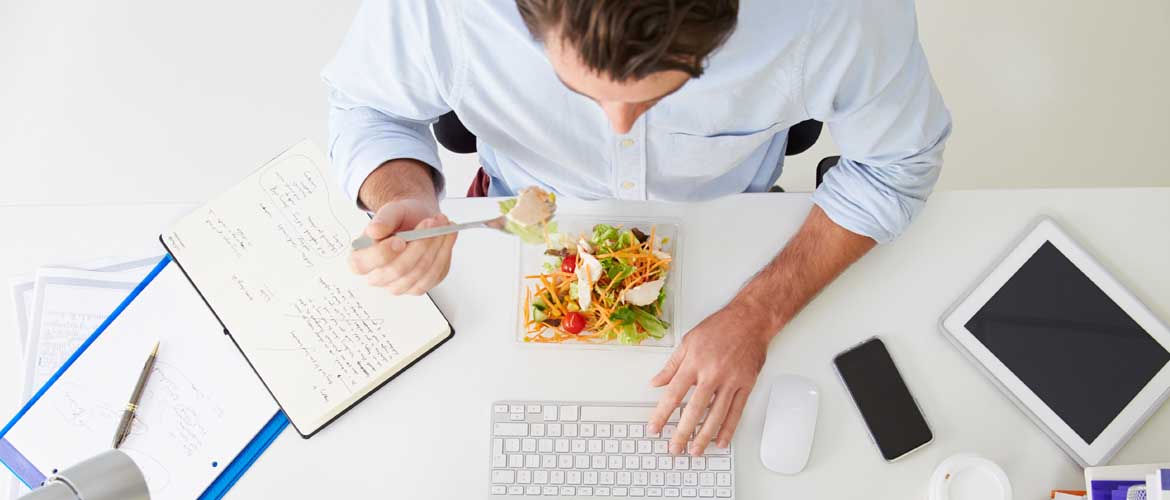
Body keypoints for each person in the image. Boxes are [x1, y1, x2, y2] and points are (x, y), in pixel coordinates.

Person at [324, 0, 951, 457]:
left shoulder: (838, 15)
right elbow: (368, 106)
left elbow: (897, 167)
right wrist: (400, 190)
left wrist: (759, 314)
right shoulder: (442, 12)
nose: (619, 130)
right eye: (581, 93)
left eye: (659, 97)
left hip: (734, 232)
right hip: (512, 225)